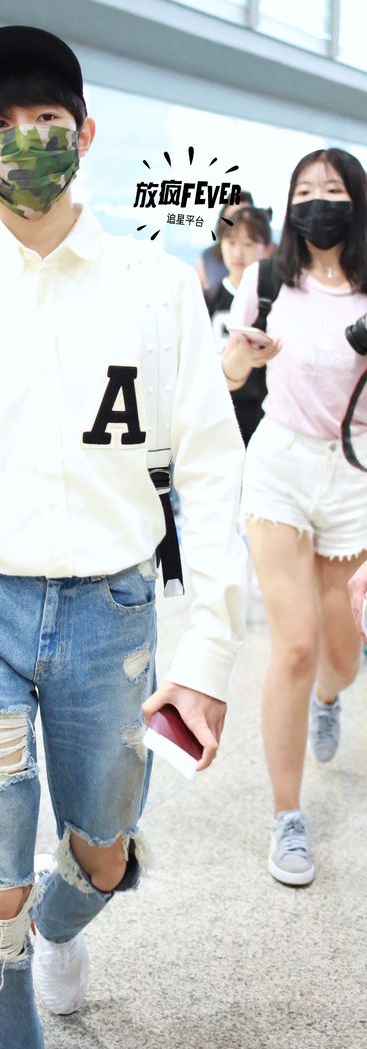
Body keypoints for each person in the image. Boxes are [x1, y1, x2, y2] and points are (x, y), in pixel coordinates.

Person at [0, 24, 247, 1049]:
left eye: (45, 119)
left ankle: (67, 916)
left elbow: (214, 474)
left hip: (112, 617)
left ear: (85, 132)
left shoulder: (155, 289)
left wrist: (210, 653)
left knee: (103, 849)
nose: (23, 140)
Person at [222, 147, 367, 887]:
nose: (318, 201)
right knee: (297, 646)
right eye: (305, 189)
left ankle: (330, 699)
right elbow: (227, 373)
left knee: (341, 655)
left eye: (332, 189)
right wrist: (245, 355)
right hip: (279, 464)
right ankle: (287, 817)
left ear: (356, 202)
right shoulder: (267, 280)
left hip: (354, 476)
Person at [204, 205, 272, 444]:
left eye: (248, 244)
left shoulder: (275, 300)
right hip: (216, 410)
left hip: (262, 415)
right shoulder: (207, 299)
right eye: (231, 242)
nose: (238, 253)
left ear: (267, 248)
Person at [195, 189, 254, 291]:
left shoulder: (266, 255)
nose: (238, 223)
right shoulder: (207, 257)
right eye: (233, 217)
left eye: (243, 216)